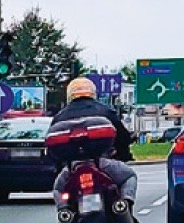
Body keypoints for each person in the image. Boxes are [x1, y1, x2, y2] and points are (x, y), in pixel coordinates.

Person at [50, 77, 138, 207]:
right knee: (129, 176)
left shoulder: (59, 117)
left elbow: (52, 145)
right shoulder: (106, 112)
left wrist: (59, 166)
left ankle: (64, 210)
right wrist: (125, 154)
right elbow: (122, 137)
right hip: (101, 163)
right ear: (93, 93)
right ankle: (125, 203)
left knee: (58, 189)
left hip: (73, 167)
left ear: (69, 95)